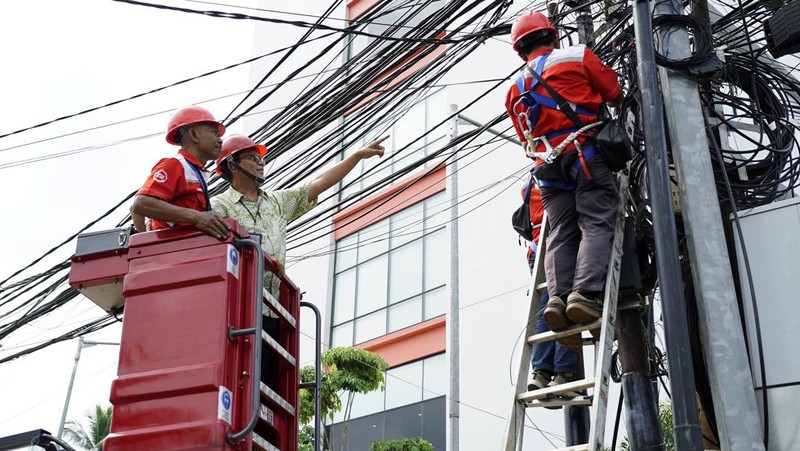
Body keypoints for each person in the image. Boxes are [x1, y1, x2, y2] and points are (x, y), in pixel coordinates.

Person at [210, 134, 386, 386]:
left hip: (272, 309)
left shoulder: (277, 202)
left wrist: (356, 157)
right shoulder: (219, 206)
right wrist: (262, 257)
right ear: (232, 165)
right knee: (239, 378)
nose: (261, 163)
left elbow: (319, 183)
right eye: (252, 158)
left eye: (261, 158)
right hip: (237, 306)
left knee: (267, 383)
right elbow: (218, 251)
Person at [505, 12, 622, 335]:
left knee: (559, 233)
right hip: (585, 155)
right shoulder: (577, 56)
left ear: (519, 49)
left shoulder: (514, 87)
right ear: (553, 36)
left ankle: (556, 298)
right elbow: (612, 91)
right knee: (595, 221)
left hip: (547, 169)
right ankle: (583, 294)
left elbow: (524, 137)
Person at [131, 106, 231, 240]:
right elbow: (141, 204)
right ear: (194, 135)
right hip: (170, 253)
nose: (220, 140)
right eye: (214, 133)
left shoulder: (195, 172)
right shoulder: (176, 165)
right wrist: (146, 246)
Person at [522, 178, 578, 395]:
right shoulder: (559, 183)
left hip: (537, 254)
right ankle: (564, 373)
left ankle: (541, 373)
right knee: (565, 305)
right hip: (560, 250)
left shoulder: (528, 188)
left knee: (546, 306)